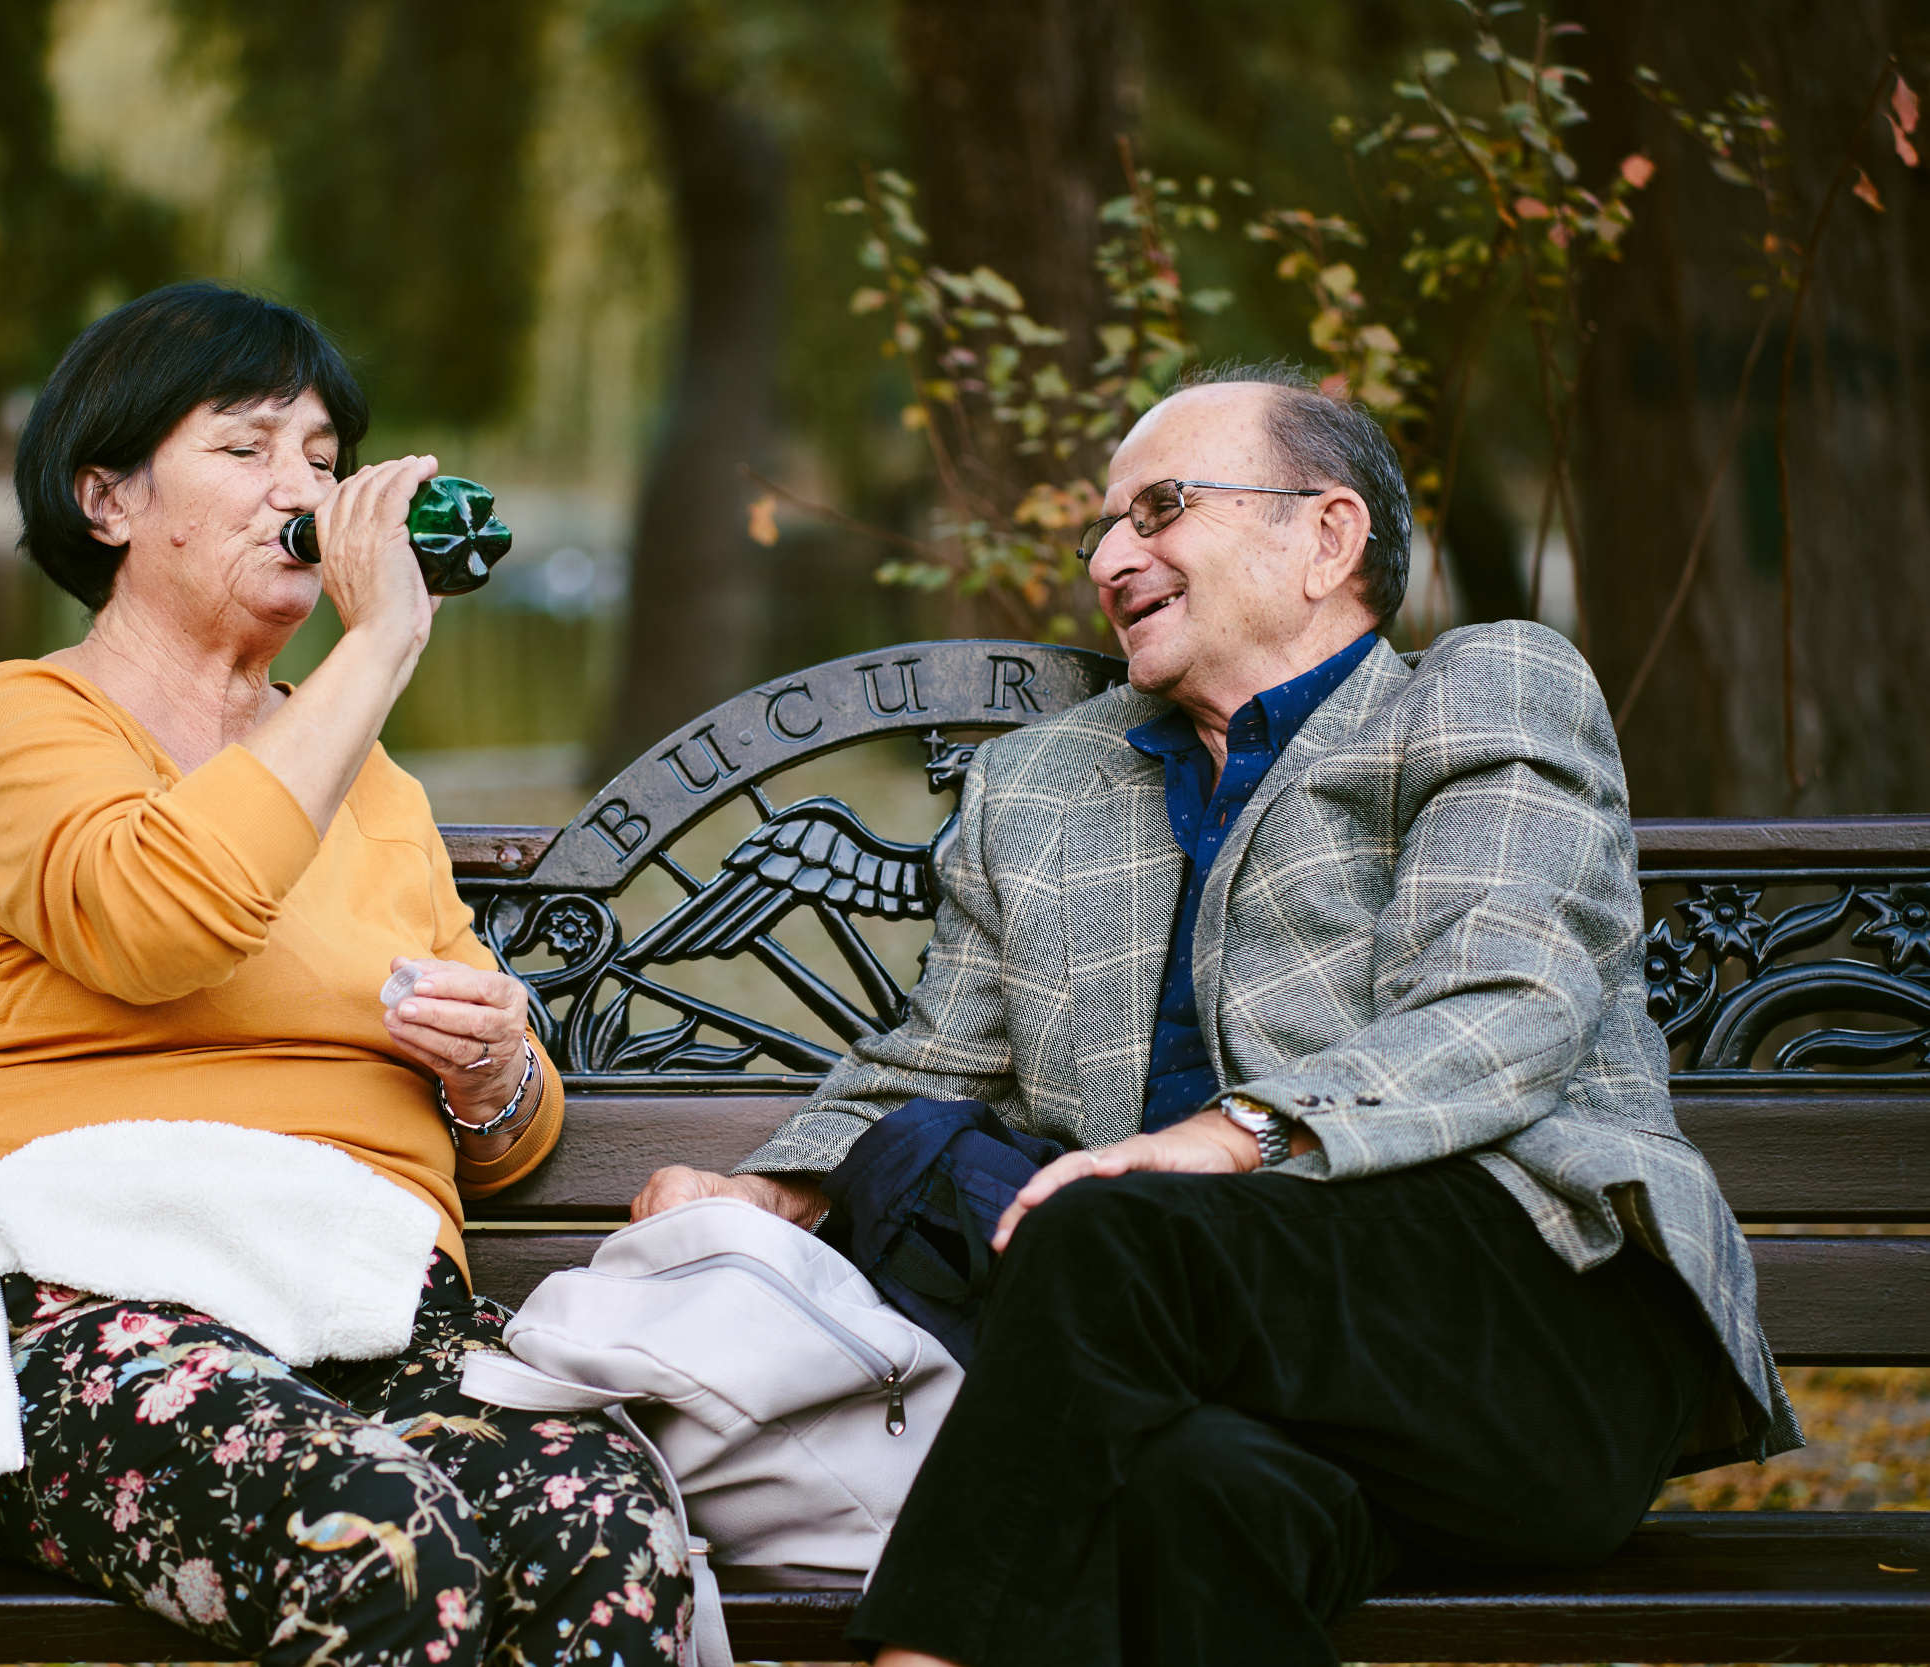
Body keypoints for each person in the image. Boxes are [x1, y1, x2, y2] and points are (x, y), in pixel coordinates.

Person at [630, 364, 1799, 1665]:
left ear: (1327, 537)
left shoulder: (1479, 692)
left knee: (1105, 1231)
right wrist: (768, 1191)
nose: (1109, 558)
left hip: (1532, 1331)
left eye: (1160, 508)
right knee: (1189, 1493)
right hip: (1221, 1368)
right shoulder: (1044, 787)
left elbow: (1502, 1004)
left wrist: (1227, 1137)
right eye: (1101, 530)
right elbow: (933, 1062)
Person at [0, 281, 689, 1665]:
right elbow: (162, 923)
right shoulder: (18, 723)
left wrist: (496, 1073)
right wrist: (378, 643)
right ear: (107, 499)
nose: (302, 489)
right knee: (377, 1536)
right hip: (88, 1313)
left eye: (323, 458)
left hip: (369, 1315)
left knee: (608, 1534)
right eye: (246, 446)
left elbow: (511, 1142)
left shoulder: (376, 787)